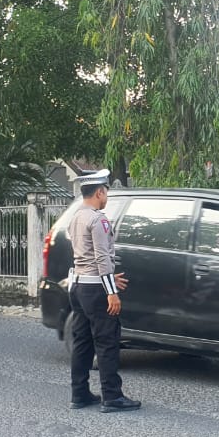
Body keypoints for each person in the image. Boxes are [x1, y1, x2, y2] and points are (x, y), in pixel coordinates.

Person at [66, 169, 141, 413]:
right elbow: (101, 258)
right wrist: (111, 291)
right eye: (106, 191)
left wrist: (106, 280)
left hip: (78, 286)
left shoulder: (76, 217)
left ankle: (79, 394)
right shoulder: (99, 220)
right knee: (107, 341)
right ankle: (112, 396)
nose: (106, 195)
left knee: (82, 342)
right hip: (96, 291)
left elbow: (84, 257)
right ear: (99, 192)